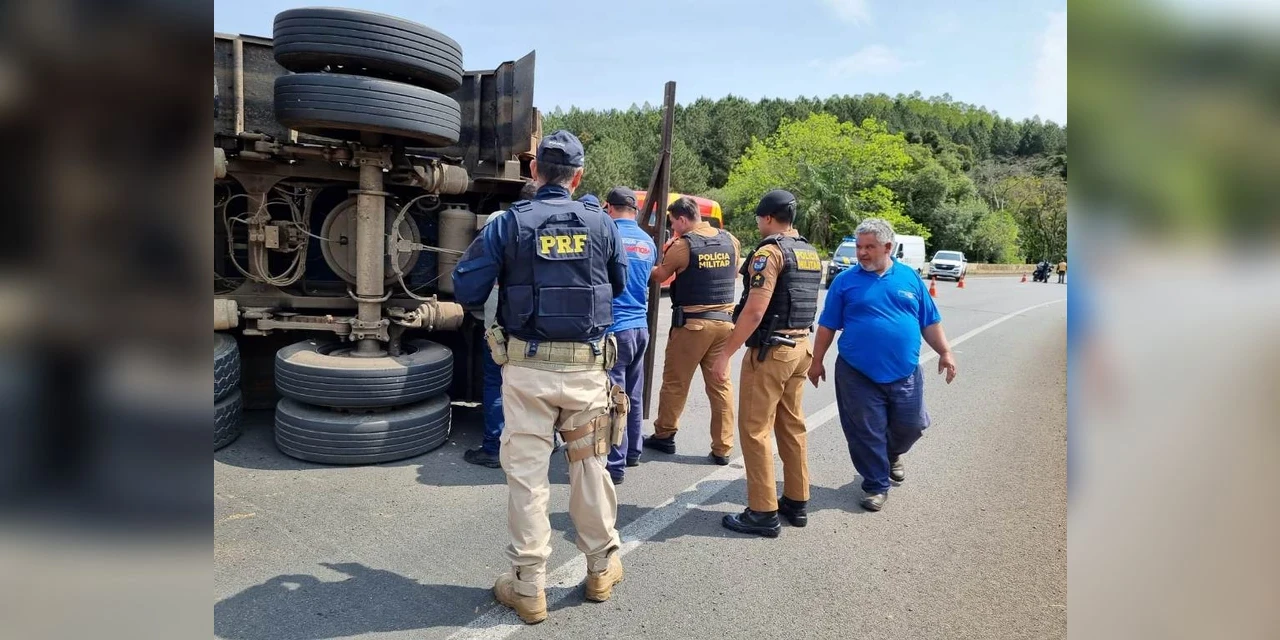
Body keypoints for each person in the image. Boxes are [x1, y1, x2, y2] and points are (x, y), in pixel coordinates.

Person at [452, 130, 628, 624]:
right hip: (586, 368)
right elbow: (616, 285)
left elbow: (466, 287)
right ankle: (601, 569)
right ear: (578, 176)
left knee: (528, 476)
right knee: (589, 466)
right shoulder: (603, 224)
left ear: (534, 171)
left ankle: (529, 586)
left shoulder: (510, 223)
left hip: (527, 370)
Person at [808, 218, 958, 512]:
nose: (861, 253)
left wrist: (945, 352)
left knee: (912, 425)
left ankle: (892, 454)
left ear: (888, 247)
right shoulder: (845, 282)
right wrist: (817, 361)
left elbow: (929, 321)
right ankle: (876, 484)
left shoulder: (909, 278)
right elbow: (827, 326)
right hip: (856, 371)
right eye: (859, 247)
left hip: (905, 371)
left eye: (869, 247)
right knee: (866, 431)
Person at [709, 190, 822, 538]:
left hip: (772, 352)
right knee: (792, 426)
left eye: (760, 218)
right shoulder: (809, 252)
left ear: (769, 218)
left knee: (755, 430)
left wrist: (725, 354)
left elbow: (755, 310)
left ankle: (762, 512)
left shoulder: (769, 253)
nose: (759, 223)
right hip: (801, 347)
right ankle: (797, 501)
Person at [643, 196, 741, 465]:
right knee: (720, 386)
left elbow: (660, 276)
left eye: (673, 223)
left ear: (683, 219)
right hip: (725, 324)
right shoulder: (730, 240)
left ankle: (664, 435)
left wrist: (640, 262)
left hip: (693, 326)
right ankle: (723, 447)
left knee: (675, 382)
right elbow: (733, 273)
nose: (673, 229)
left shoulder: (683, 245)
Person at [464, 182, 539, 468]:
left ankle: (493, 448)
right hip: (538, 321)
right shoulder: (554, 225)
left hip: (499, 319)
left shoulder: (499, 220)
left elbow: (477, 268)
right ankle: (546, 440)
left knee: (496, 381)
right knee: (537, 384)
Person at [600, 186, 656, 484]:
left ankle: (615, 463)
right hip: (640, 327)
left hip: (616, 328)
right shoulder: (647, 241)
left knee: (615, 398)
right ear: (635, 210)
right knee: (633, 394)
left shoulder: (609, 235)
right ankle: (633, 450)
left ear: (609, 207)